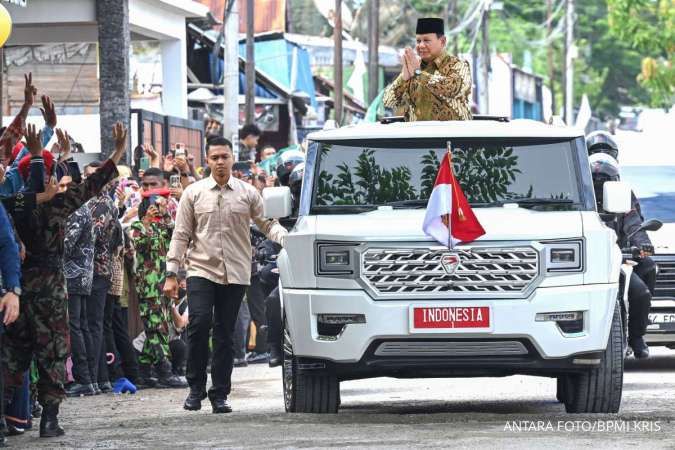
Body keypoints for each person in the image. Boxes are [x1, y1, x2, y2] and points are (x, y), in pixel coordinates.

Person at [2, 119, 128, 438]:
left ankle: (3, 419)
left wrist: (33, 155)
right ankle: (49, 420)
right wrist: (118, 151)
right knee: (53, 350)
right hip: (51, 289)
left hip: (15, 289)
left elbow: (27, 185)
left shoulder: (11, 204)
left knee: (12, 355)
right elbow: (91, 185)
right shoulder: (58, 206)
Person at [164, 136, 287, 414]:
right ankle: (195, 389)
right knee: (198, 325)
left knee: (225, 334)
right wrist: (172, 273)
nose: (220, 162)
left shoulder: (247, 193)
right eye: (215, 157)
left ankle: (220, 394)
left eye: (224, 157)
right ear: (207, 161)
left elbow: (268, 224)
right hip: (200, 270)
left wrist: (286, 238)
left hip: (236, 273)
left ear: (232, 159)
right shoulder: (193, 193)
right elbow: (180, 234)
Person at [590, 153, 653, 358]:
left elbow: (634, 222)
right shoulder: (578, 196)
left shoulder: (624, 195)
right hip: (589, 257)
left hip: (618, 256)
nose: (600, 184)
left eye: (605, 180)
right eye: (596, 180)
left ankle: (636, 335)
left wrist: (642, 245)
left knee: (643, 287)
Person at [128, 190, 187, 388]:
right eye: (153, 206)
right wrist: (145, 222)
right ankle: (164, 371)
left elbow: (176, 235)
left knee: (157, 329)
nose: (155, 209)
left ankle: (143, 371)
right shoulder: (138, 227)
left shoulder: (162, 227)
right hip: (149, 288)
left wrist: (165, 213)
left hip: (164, 286)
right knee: (157, 330)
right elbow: (139, 244)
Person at [383, 17, 472, 122]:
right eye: (418, 41)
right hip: (417, 136)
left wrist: (418, 74)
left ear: (442, 41)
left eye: (426, 40)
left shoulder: (459, 65)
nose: (421, 45)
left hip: (451, 136)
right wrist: (403, 78)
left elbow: (451, 89)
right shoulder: (415, 67)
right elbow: (388, 101)